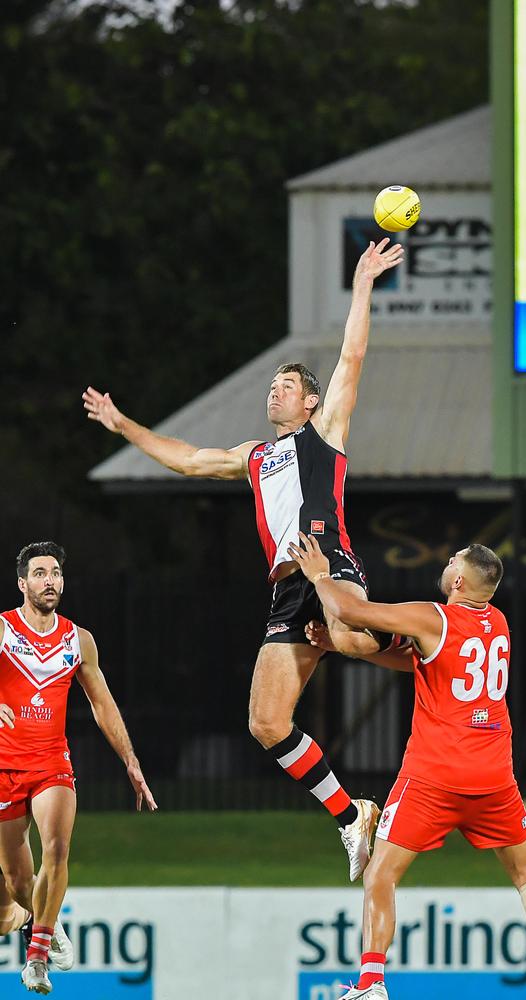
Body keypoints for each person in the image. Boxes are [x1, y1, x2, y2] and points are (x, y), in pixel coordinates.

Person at [82, 238, 404, 881]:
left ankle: (421, 650)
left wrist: (364, 281)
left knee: (342, 630)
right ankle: (352, 816)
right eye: (274, 385)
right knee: (265, 722)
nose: (276, 392)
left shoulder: (325, 432)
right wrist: (123, 425)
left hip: (326, 561)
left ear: (310, 403)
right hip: (288, 589)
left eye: (287, 386)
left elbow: (353, 355)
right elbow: (187, 458)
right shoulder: (255, 455)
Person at [288, 533, 526, 1000]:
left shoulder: (433, 615)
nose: (448, 561)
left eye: (453, 558)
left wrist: (319, 574)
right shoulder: (497, 622)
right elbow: (423, 661)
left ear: (458, 578)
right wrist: (345, 649)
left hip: (435, 776)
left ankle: (372, 983)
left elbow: (352, 611)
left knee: (380, 874)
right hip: (494, 776)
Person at [0, 541, 157, 995]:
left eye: (56, 573)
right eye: (40, 573)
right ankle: (35, 917)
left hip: (51, 761)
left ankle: (37, 955)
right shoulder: (4, 631)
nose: (50, 580)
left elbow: (102, 703)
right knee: (15, 881)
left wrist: (131, 762)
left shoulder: (77, 639)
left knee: (57, 846)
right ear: (22, 583)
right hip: (6, 765)